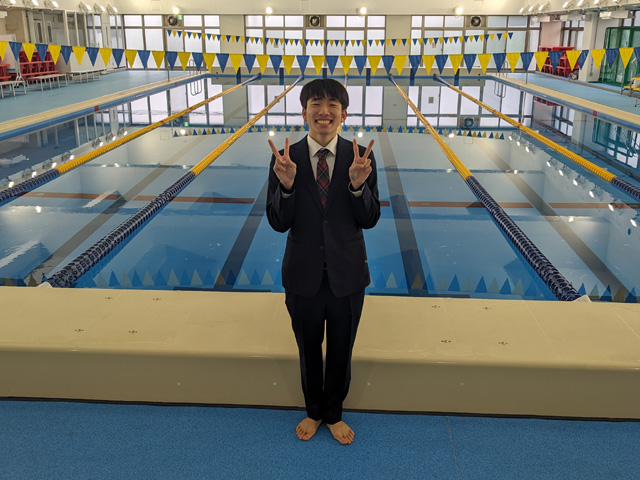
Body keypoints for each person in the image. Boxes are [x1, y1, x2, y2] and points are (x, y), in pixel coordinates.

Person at [266, 79, 381, 445]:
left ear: (343, 114)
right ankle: (314, 410)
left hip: (347, 274)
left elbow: (370, 219)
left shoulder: (360, 157)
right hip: (303, 274)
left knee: (342, 349)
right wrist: (286, 187)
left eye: (333, 104)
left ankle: (333, 413)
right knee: (308, 348)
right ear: (304, 112)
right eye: (316, 103)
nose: (324, 111)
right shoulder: (285, 159)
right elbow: (277, 221)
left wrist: (358, 187)